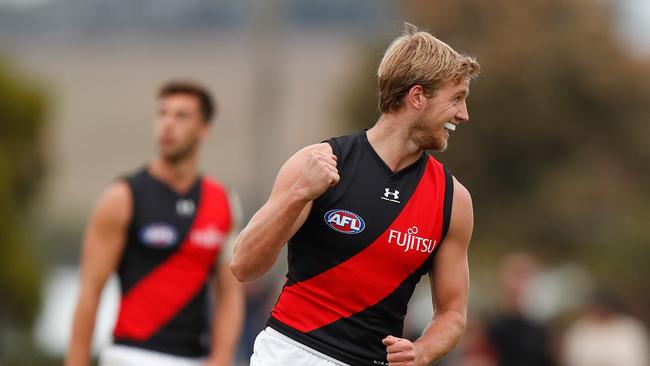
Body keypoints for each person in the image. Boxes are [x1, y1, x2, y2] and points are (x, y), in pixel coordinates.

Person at [231, 23, 480, 366]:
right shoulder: (318, 162)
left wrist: (422, 350)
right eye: (456, 99)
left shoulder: (454, 200)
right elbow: (244, 265)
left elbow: (453, 313)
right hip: (290, 352)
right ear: (418, 97)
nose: (463, 114)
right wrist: (300, 194)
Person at [65, 81, 244, 366]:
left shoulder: (222, 201)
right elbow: (89, 291)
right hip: (130, 355)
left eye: (181, 116)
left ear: (203, 129)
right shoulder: (122, 197)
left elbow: (229, 294)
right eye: (162, 114)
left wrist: (221, 358)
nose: (168, 124)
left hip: (194, 357)